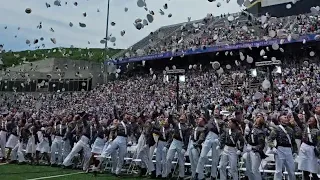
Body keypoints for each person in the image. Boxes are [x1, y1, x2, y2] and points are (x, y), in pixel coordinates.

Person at [268, 113, 297, 180]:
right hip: (280, 149)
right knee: (278, 170)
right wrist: (273, 147)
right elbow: (270, 139)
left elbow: (293, 142)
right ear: (280, 120)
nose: (286, 118)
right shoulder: (277, 128)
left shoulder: (290, 130)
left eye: (287, 117)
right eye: (284, 117)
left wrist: (295, 151)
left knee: (291, 170)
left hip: (289, 149)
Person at [196, 111, 221, 180]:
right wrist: (199, 142)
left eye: (217, 111)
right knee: (202, 156)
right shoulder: (210, 120)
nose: (216, 112)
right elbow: (204, 132)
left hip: (216, 138)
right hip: (209, 137)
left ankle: (213, 175)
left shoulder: (222, 121)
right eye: (215, 111)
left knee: (215, 159)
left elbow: (223, 132)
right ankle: (197, 173)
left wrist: (221, 141)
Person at [165, 113, 190, 180]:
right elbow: (171, 120)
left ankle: (181, 176)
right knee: (168, 158)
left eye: (183, 115)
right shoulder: (176, 124)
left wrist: (185, 148)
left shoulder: (187, 127)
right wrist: (170, 114)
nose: (181, 116)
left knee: (181, 161)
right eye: (181, 115)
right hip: (174, 141)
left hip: (180, 143)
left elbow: (186, 138)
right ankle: (169, 173)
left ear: (185, 118)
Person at [243, 116, 267, 180]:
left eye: (256, 121)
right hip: (249, 149)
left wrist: (252, 148)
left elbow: (261, 145)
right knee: (249, 170)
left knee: (254, 170)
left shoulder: (260, 132)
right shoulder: (253, 129)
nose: (254, 122)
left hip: (255, 152)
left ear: (258, 124)